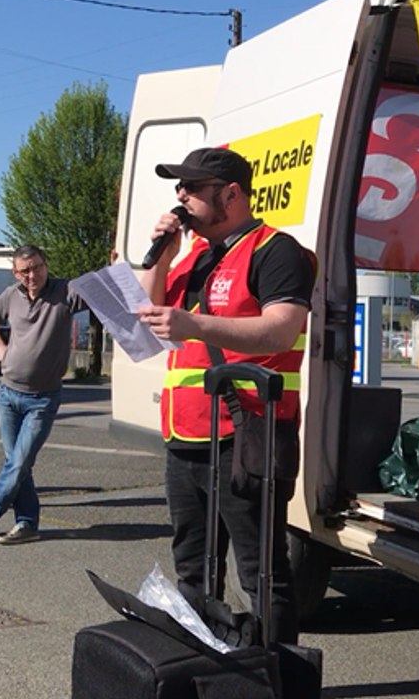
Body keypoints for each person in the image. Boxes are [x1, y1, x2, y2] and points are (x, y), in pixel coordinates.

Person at [138, 147, 315, 645]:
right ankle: (205, 669)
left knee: (261, 573)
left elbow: (281, 330)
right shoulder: (193, 256)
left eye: (193, 189)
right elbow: (155, 319)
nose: (181, 197)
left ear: (231, 195)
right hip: (186, 436)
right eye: (179, 188)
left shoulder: (275, 250)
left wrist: (192, 322)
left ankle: (276, 675)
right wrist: (162, 256)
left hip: (248, 435)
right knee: (191, 570)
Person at [0, 245, 82, 545]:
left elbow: (103, 289)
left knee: (19, 462)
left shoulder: (66, 292)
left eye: (36, 267)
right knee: (16, 462)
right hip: (8, 394)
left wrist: (115, 267)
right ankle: (27, 523)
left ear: (46, 265)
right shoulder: (12, 295)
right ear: (15, 272)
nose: (32, 275)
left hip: (42, 398)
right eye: (25, 271)